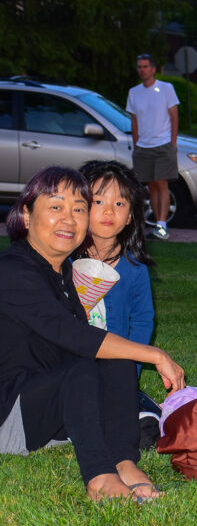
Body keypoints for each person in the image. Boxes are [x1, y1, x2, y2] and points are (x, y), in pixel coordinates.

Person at [0, 167, 185, 503]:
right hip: (9, 417)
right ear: (26, 215)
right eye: (55, 207)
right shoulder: (13, 269)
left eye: (79, 209)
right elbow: (72, 335)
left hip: (51, 412)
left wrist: (130, 356)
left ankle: (124, 462)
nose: (68, 219)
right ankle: (100, 478)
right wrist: (155, 354)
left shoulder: (62, 273)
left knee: (116, 357)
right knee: (84, 364)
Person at [77, 160, 155, 376]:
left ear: (130, 216)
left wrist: (132, 368)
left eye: (119, 203)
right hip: (72, 362)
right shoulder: (65, 262)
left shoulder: (135, 270)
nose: (109, 211)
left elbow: (142, 321)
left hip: (115, 362)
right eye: (98, 201)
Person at [126, 54, 178, 240]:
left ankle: (162, 226)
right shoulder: (134, 92)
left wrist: (173, 143)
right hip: (143, 147)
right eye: (139, 67)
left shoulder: (166, 89)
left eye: (145, 66)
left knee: (162, 183)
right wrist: (136, 144)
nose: (142, 70)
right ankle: (158, 225)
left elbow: (174, 116)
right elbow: (134, 120)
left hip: (163, 144)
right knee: (152, 186)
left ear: (153, 69)